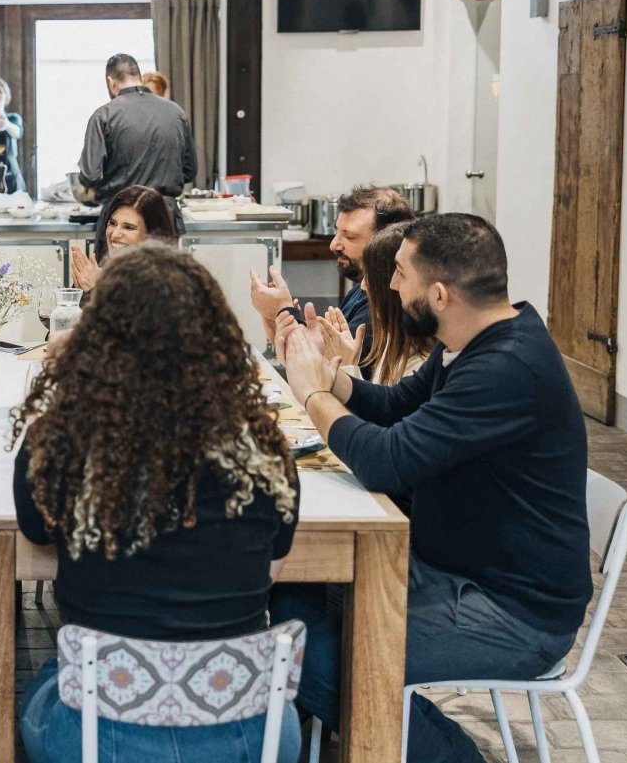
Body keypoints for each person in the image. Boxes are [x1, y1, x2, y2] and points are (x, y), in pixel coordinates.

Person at [270, 214, 592, 763]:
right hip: (451, 569)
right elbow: (396, 409)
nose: (389, 287)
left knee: (306, 657)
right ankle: (325, 735)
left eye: (398, 273)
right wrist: (331, 377)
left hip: (513, 612)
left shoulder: (506, 367)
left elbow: (386, 462)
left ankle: (446, 754)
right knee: (288, 595)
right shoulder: (473, 337)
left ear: (439, 294)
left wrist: (310, 396)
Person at [14, 243, 303, 763]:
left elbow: (36, 534)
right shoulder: (262, 450)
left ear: (98, 336)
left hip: (102, 739)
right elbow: (273, 567)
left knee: (36, 688)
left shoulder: (63, 441)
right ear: (213, 337)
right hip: (245, 735)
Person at [249, 185, 413, 361]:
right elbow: (327, 352)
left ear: (385, 241)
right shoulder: (362, 288)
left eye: (349, 237)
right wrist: (283, 328)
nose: (334, 245)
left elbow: (329, 365)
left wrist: (283, 310)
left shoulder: (385, 304)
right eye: (337, 231)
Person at [290, 221, 435, 386]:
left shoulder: (420, 364)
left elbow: (375, 411)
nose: (364, 285)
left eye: (370, 276)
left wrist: (345, 367)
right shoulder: (391, 340)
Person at [75, 53, 196, 210]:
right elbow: (189, 171)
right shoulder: (176, 112)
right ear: (138, 77)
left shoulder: (104, 115)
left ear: (111, 82)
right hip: (165, 216)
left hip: (122, 215)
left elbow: (90, 175)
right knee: (161, 236)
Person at [68, 184, 178, 292]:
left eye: (128, 227)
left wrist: (98, 290)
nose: (114, 235)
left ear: (152, 236)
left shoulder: (164, 285)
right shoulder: (105, 273)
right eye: (112, 223)